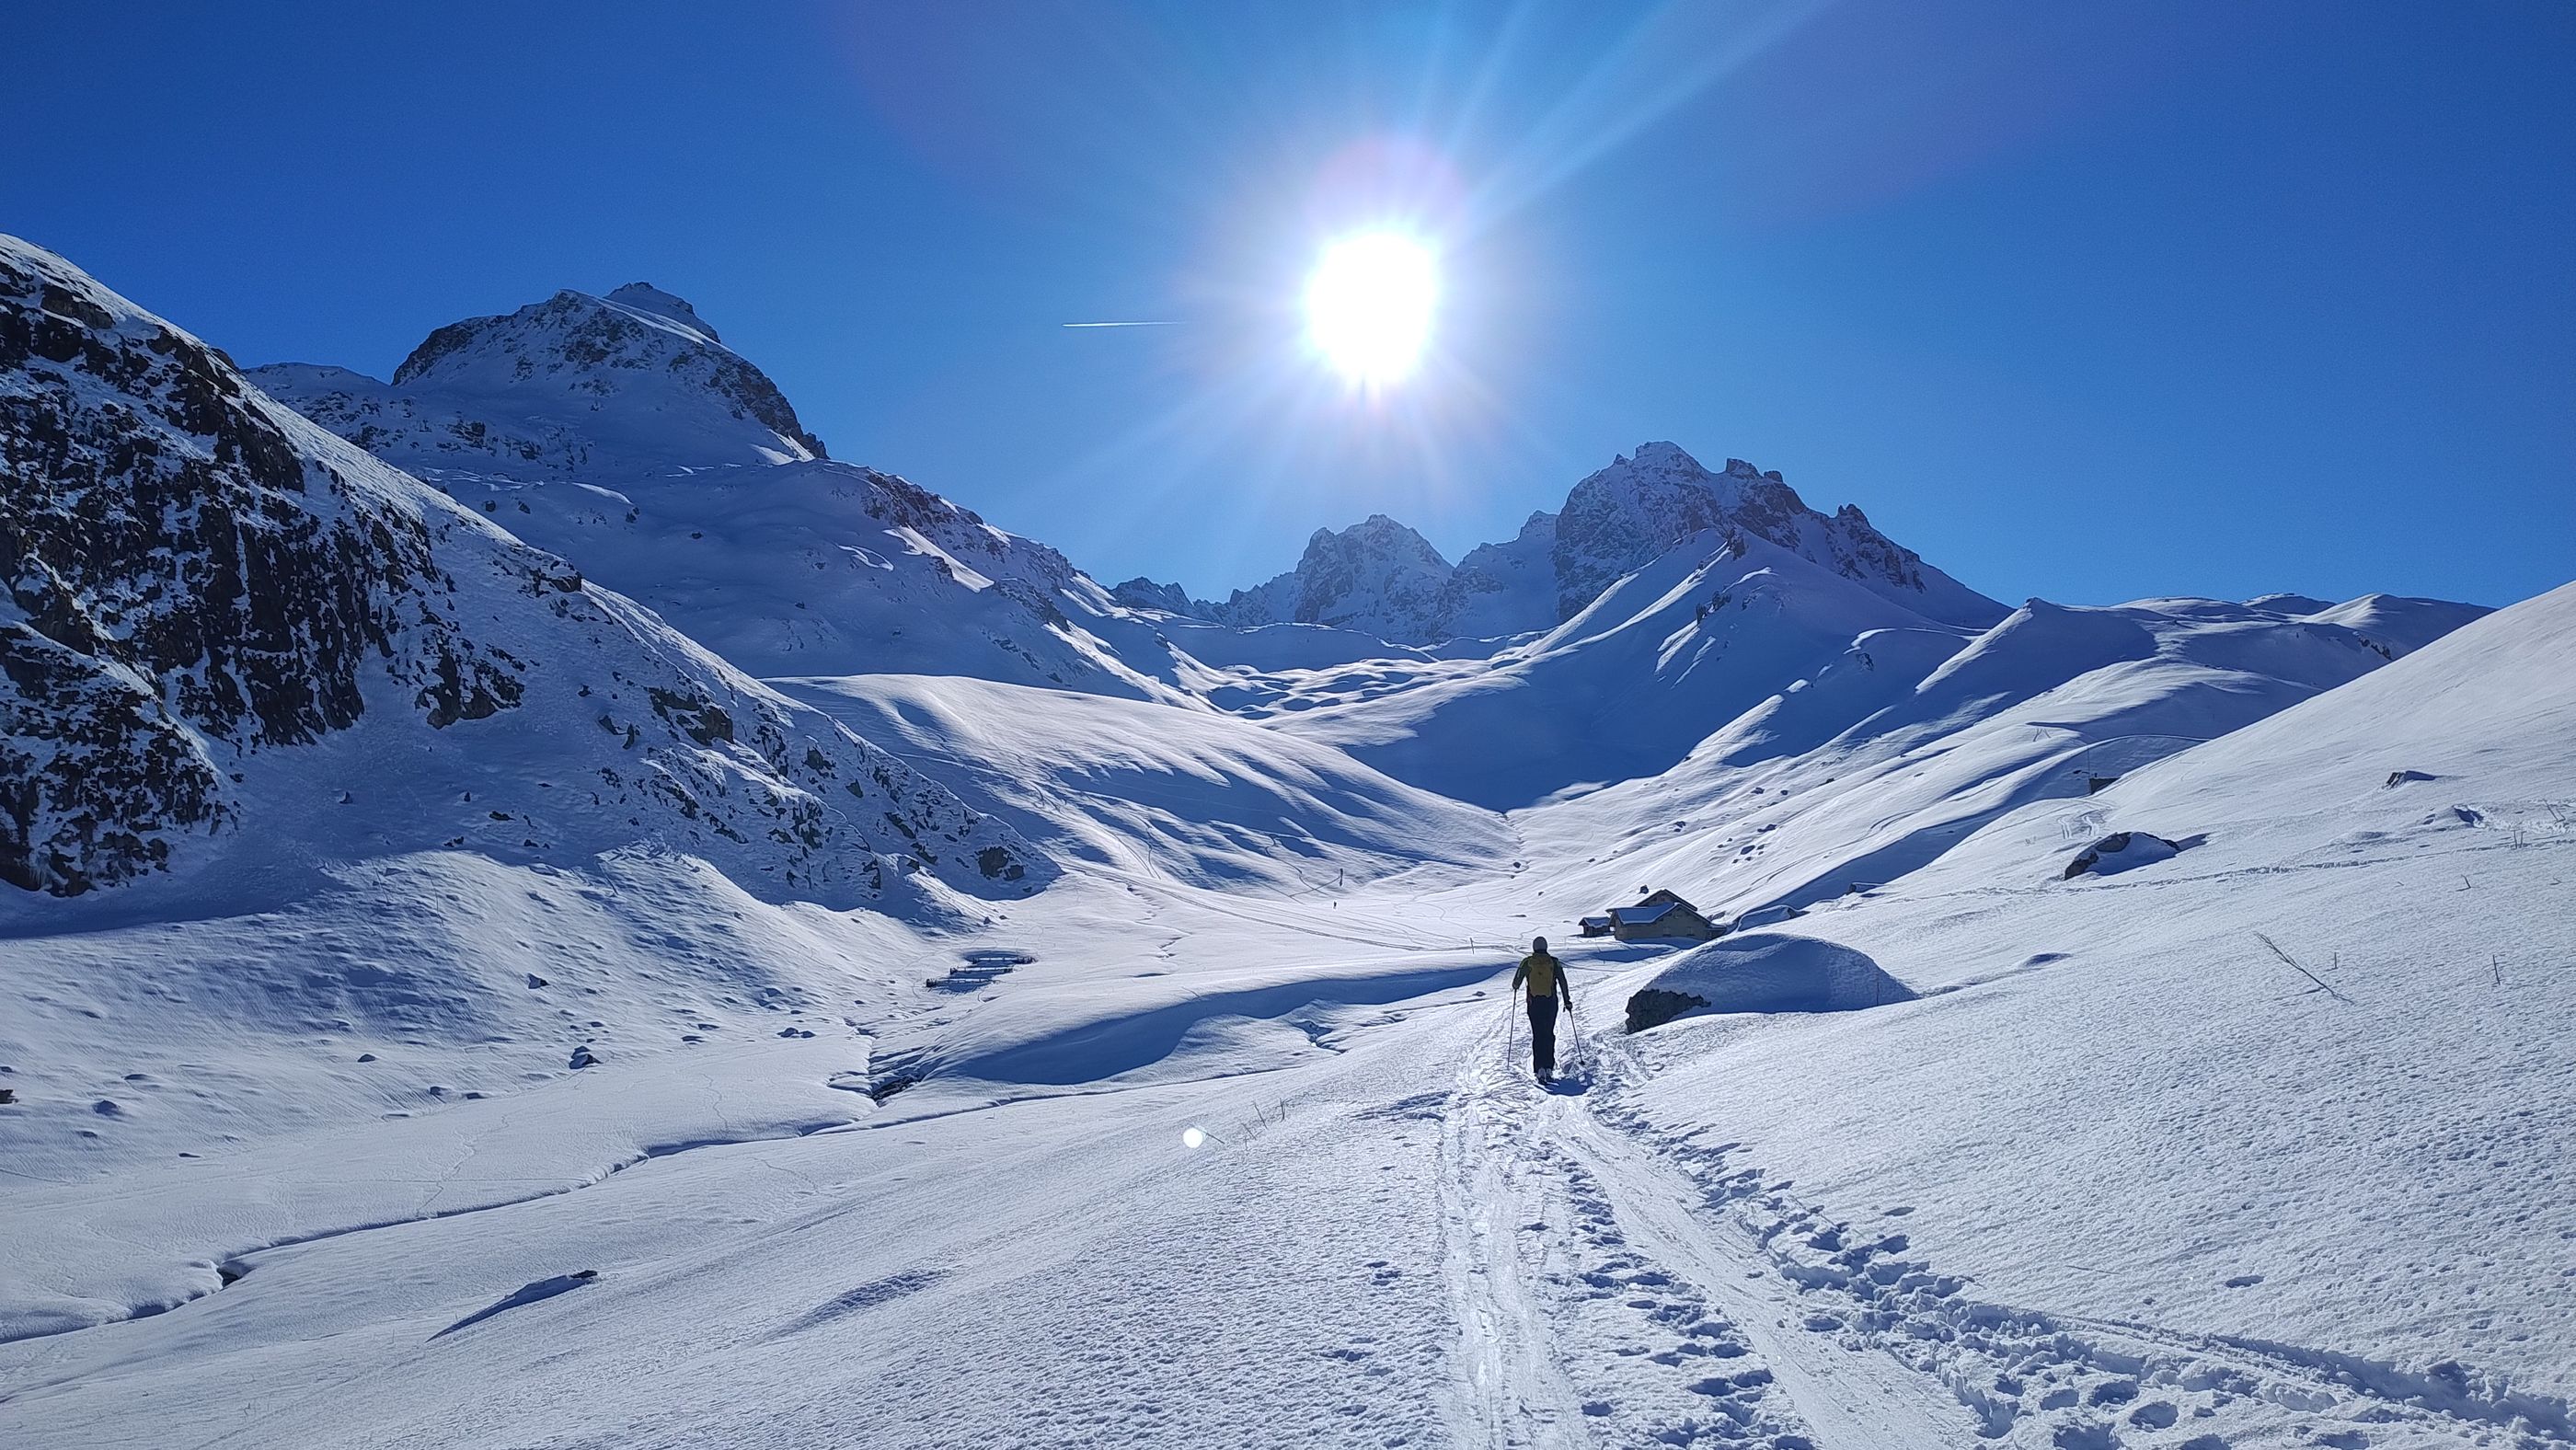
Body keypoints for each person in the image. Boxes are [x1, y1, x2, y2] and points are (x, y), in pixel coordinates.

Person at [1511, 936, 1573, 1082]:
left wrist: (1517, 986)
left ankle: (1539, 1068)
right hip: (1550, 1002)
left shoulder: (1527, 962)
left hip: (1534, 1003)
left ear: (1534, 947)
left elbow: (1516, 982)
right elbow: (1563, 981)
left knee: (1538, 1034)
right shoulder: (1554, 962)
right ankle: (1549, 1067)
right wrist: (1567, 1001)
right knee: (1548, 1033)